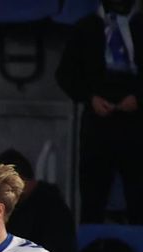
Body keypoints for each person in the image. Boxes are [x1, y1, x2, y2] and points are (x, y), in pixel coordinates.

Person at [56, 0, 143, 223]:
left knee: (138, 196)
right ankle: (90, 250)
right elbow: (65, 74)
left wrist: (138, 98)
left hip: (136, 124)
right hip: (97, 122)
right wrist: (90, 97)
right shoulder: (86, 28)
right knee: (93, 195)